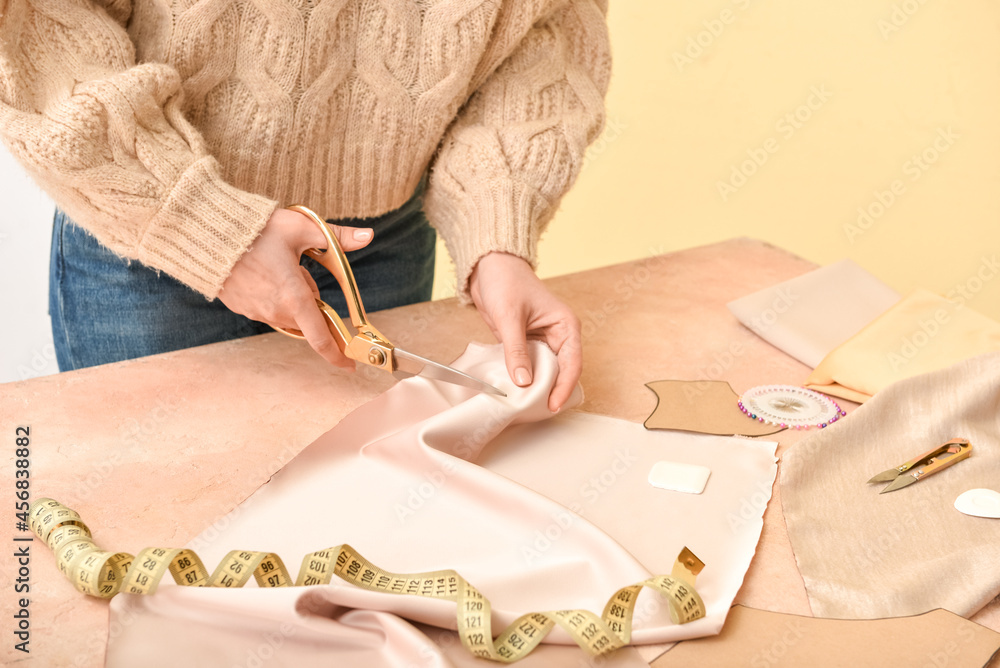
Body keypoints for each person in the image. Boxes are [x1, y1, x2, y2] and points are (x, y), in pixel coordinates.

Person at [0, 0, 610, 412]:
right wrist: (202, 224)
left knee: (362, 520)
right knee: (159, 545)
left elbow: (548, 29)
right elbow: (43, 27)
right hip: (157, 238)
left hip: (381, 241)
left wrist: (495, 226)